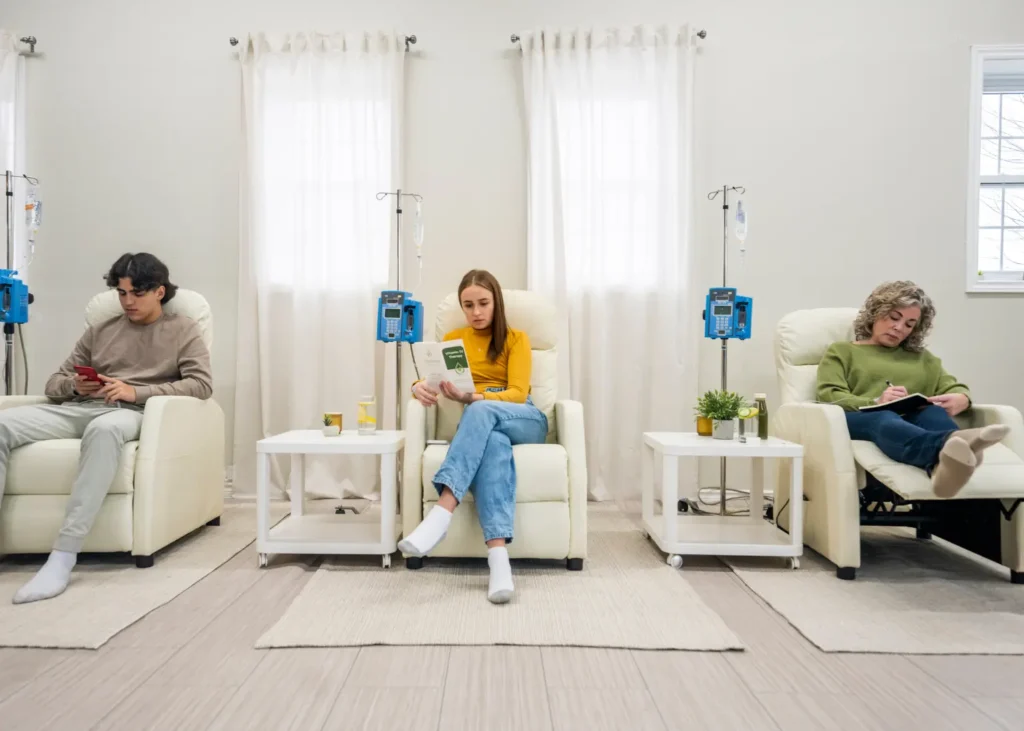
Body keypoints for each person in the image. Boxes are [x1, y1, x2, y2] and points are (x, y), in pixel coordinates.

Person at [0, 252, 213, 604]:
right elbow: (55, 382)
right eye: (121, 293)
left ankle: (63, 556)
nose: (127, 302)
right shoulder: (101, 331)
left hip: (134, 411)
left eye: (136, 294)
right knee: (2, 424)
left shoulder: (182, 329)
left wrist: (136, 391)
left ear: (159, 292)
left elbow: (201, 385)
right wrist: (74, 386)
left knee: (104, 431)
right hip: (83, 406)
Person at [398, 269, 546, 604]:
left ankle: (441, 513)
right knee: (493, 444)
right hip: (486, 426)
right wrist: (418, 387)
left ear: (496, 303)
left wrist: (473, 399)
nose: (476, 312)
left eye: (483, 303)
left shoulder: (515, 338)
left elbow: (519, 393)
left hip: (524, 418)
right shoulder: (454, 338)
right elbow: (430, 378)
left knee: (479, 412)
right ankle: (499, 563)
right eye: (468, 305)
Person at [816, 280, 1007, 499]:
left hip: (907, 420)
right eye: (894, 318)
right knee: (884, 416)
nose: (899, 327)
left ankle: (945, 462)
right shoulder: (842, 351)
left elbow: (953, 385)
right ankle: (956, 445)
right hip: (858, 419)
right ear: (876, 313)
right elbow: (829, 395)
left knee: (933, 412)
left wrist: (962, 398)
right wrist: (876, 401)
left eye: (909, 324)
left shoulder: (923, 359)